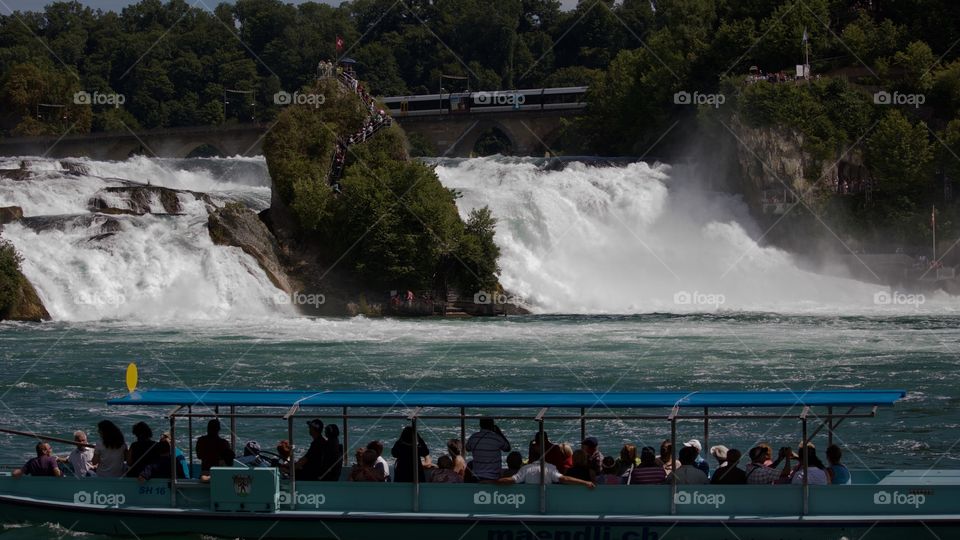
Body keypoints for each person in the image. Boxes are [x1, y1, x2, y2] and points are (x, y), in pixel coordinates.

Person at [497, 446, 595, 488]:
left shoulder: (525, 469)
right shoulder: (550, 468)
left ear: (531, 458)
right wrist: (585, 482)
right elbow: (564, 479)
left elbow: (511, 480)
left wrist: (492, 482)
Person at [466, 417, 511, 482]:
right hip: (494, 477)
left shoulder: (473, 437)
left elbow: (467, 448)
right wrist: (499, 432)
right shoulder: (497, 438)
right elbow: (507, 448)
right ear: (492, 425)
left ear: (480, 425)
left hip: (476, 477)